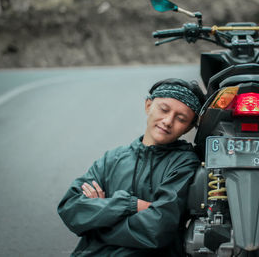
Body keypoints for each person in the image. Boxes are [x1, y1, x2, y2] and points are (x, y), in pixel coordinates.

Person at [58, 78, 205, 256]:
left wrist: (97, 221)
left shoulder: (184, 163)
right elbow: (71, 208)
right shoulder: (112, 158)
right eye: (164, 109)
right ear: (148, 105)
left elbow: (157, 229)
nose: (167, 121)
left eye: (181, 118)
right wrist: (130, 205)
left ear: (188, 128)